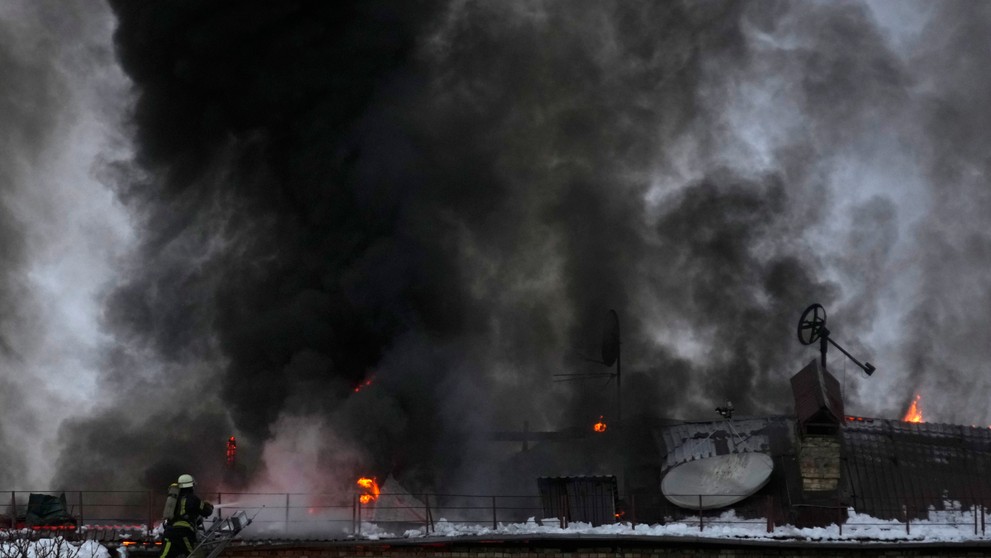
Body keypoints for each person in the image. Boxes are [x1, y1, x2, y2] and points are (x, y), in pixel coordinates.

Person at [160, 474, 215, 558]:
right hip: (184, 533)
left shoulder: (174, 498)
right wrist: (209, 506)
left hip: (169, 532)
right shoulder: (193, 499)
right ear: (191, 486)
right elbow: (206, 512)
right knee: (192, 555)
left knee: (164, 556)